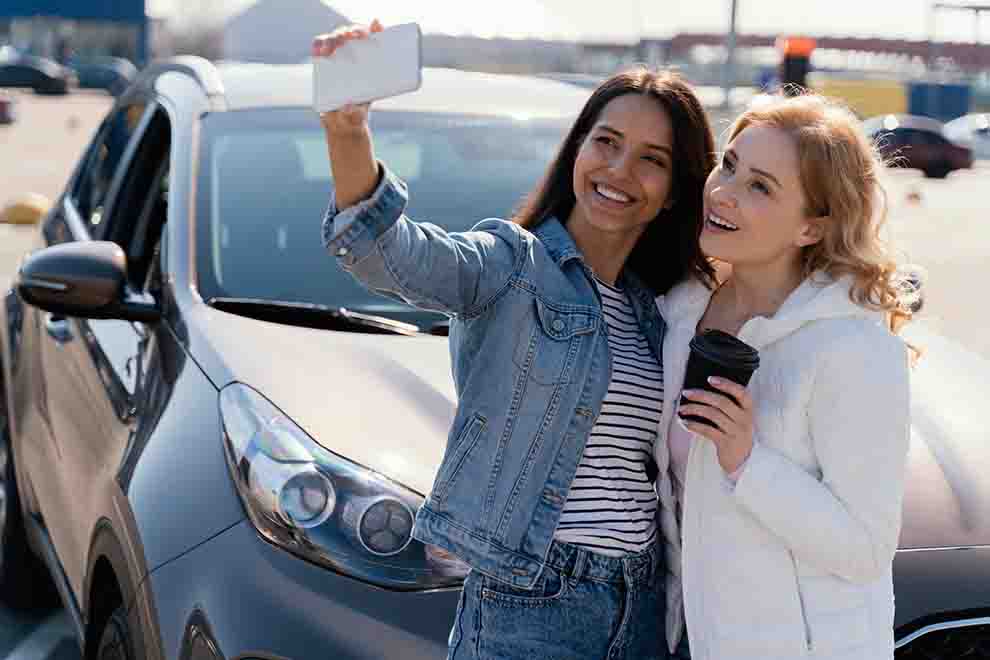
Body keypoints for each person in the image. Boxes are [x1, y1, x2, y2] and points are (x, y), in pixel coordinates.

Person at [313, 21, 716, 660]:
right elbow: (389, 253)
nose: (619, 169)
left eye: (652, 159)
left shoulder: (661, 312)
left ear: (673, 193)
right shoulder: (510, 265)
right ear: (576, 152)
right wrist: (348, 132)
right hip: (532, 600)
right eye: (605, 142)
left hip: (643, 604)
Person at [654, 92, 914, 659]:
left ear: (811, 229)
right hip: (690, 639)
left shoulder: (852, 348)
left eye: (760, 187)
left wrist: (748, 462)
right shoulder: (680, 312)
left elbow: (865, 549)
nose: (723, 193)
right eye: (730, 166)